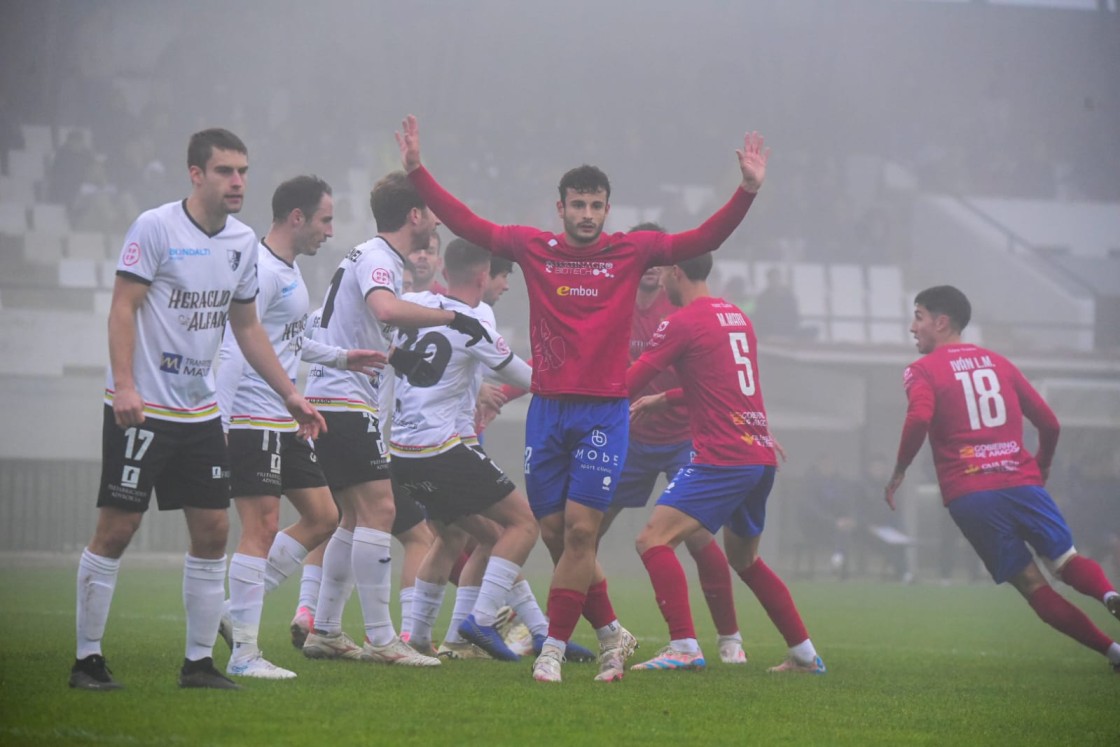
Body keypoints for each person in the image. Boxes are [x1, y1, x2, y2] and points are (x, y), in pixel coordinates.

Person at [396, 114, 769, 683]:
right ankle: (612, 632)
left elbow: (701, 241)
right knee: (551, 534)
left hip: (603, 412)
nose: (588, 215)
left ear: (606, 210)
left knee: (579, 532)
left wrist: (745, 191)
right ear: (561, 207)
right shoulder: (532, 247)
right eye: (579, 205)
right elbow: (466, 221)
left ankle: (552, 648)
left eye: (597, 206)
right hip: (547, 411)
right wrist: (419, 172)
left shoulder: (632, 252)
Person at [69, 128, 326, 691]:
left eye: (243, 171)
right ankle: (87, 659)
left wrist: (290, 392)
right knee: (118, 528)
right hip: (143, 408)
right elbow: (122, 308)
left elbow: (248, 326)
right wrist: (124, 385)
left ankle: (198, 663)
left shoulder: (240, 243)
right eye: (224, 171)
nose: (237, 182)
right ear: (195, 174)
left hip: (201, 413)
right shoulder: (155, 227)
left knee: (213, 532)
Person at [299, 170, 489, 667]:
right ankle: (384, 640)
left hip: (331, 396)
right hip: (344, 401)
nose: (435, 221)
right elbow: (384, 309)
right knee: (381, 513)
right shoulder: (381, 259)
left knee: (353, 518)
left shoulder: (366, 255)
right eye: (430, 212)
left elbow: (371, 325)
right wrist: (452, 317)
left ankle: (325, 630)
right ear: (414, 216)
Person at [885, 285, 1120, 671]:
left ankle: (1114, 652)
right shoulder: (999, 363)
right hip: (1022, 482)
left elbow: (919, 417)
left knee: (1032, 585)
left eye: (919, 316)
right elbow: (1049, 422)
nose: (913, 327)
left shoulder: (921, 370)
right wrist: (1040, 466)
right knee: (1066, 559)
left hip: (971, 493)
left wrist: (899, 470)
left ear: (941, 322)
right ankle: (1110, 594)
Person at [214, 175, 386, 679]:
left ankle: (232, 612)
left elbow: (287, 341)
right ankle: (245, 652)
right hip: (251, 416)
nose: (329, 231)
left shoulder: (289, 270)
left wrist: (342, 357)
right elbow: (233, 348)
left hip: (285, 418)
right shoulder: (262, 271)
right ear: (297, 218)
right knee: (262, 526)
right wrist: (221, 423)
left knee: (324, 515)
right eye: (325, 219)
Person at [626, 253, 826, 673]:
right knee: (746, 561)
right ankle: (805, 655)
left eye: (664, 276)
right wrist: (667, 398)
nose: (661, 285)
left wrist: (581, 398)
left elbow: (631, 379)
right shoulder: (736, 316)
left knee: (652, 540)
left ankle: (683, 645)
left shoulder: (680, 321)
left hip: (722, 457)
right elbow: (722, 385)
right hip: (758, 455)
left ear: (677, 272)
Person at [597, 222, 747, 665]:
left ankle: (729, 639)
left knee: (698, 535)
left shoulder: (679, 306)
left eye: (659, 261)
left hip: (684, 433)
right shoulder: (612, 304)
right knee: (585, 529)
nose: (651, 269)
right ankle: (576, 629)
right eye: (643, 260)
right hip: (631, 437)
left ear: (669, 269)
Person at [388, 239, 540, 661]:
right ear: (481, 273)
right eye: (499, 274)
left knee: (455, 535)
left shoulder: (415, 303)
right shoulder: (474, 321)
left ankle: (420, 638)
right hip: (440, 449)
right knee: (523, 524)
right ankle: (477, 624)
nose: (505, 284)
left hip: (401, 450)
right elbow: (532, 379)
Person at [408, 228, 446, 294]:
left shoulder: (448, 301)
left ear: (439, 263)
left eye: (430, 252)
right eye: (416, 250)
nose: (422, 256)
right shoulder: (392, 297)